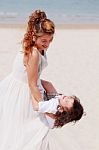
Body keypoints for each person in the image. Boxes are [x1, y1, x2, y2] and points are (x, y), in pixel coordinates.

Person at [0, 9, 56, 150]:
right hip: (23, 93)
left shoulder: (37, 46)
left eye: (50, 40)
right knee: (32, 134)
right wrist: (45, 109)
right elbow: (31, 84)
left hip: (28, 88)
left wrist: (49, 86)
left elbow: (33, 77)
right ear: (34, 36)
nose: (47, 44)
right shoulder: (34, 54)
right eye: (44, 40)